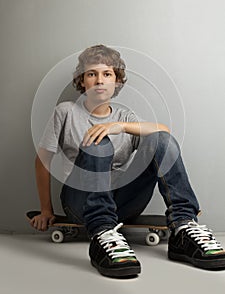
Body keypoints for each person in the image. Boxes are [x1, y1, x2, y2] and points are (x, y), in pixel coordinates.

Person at [30, 44, 225, 278]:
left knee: (161, 140)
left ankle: (183, 227)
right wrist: (45, 209)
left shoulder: (124, 116)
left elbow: (163, 132)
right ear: (82, 81)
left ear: (117, 81)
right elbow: (42, 161)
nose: (99, 80)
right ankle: (101, 233)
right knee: (98, 143)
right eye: (92, 74)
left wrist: (119, 127)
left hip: (123, 202)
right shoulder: (66, 111)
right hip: (81, 201)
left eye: (107, 74)